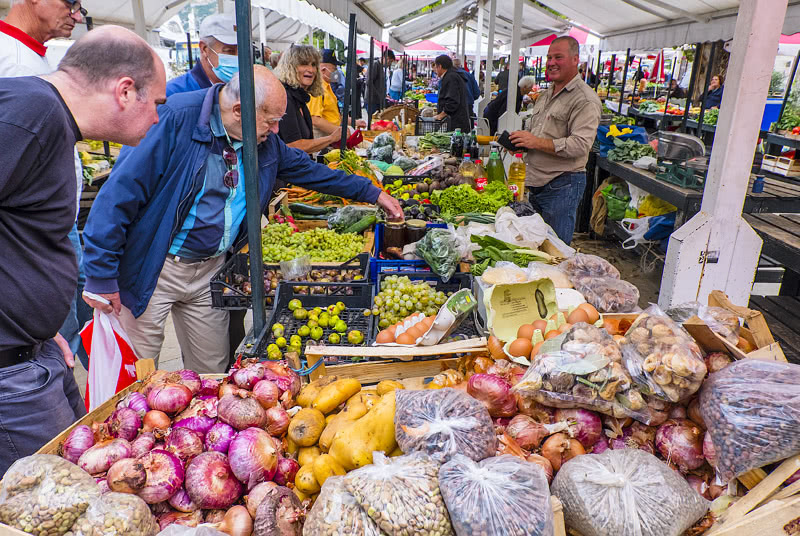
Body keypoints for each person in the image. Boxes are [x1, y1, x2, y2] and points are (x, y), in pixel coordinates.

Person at [82, 66, 402, 374]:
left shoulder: (263, 142)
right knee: (138, 369)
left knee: (211, 369)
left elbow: (310, 172)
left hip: (211, 269)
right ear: (239, 111)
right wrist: (100, 274)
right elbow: (116, 198)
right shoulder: (174, 119)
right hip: (154, 267)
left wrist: (371, 193)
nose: (277, 130)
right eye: (272, 121)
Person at [0, 25, 166, 476]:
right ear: (125, 91)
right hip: (11, 378)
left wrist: (30, 325)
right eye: (156, 104)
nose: (156, 119)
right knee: (50, 505)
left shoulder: (46, 119)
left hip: (34, 353)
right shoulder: (31, 115)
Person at [1, 0, 91, 367]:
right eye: (70, 2)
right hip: (33, 231)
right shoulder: (12, 62)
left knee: (77, 315)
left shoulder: (31, 58)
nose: (78, 14)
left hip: (56, 223)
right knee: (56, 333)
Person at [509, 36, 601, 245]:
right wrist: (520, 142)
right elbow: (540, 134)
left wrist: (534, 142)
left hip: (562, 186)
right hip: (537, 184)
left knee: (555, 252)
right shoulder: (546, 94)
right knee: (536, 247)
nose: (551, 63)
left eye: (558, 57)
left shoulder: (584, 99)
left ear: (576, 59)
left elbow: (580, 145)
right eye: (549, 57)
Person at [274, 45, 341, 153]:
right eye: (304, 64)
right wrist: (332, 138)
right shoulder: (285, 97)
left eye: (314, 65)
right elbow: (294, 145)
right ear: (290, 67)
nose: (310, 70)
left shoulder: (300, 97)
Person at [166, 13, 238, 97]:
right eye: (229, 51)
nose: (238, 58)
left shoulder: (244, 89)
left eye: (242, 52)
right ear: (204, 49)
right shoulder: (173, 93)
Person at [309, 49, 366, 138]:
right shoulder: (316, 90)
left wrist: (354, 122)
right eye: (334, 69)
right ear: (323, 69)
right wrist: (341, 132)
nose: (336, 72)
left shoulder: (327, 87)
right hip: (322, 138)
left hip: (331, 136)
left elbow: (335, 116)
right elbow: (315, 119)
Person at [431, 55, 471, 132]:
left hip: (456, 123)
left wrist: (441, 115)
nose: (435, 70)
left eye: (436, 67)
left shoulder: (451, 77)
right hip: (457, 120)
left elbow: (453, 100)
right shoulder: (452, 75)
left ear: (440, 66)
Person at [366, 49, 393, 117]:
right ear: (387, 58)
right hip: (372, 101)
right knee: (374, 120)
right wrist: (379, 95)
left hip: (378, 100)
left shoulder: (381, 67)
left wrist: (384, 95)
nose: (390, 64)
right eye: (390, 62)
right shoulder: (375, 64)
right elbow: (369, 82)